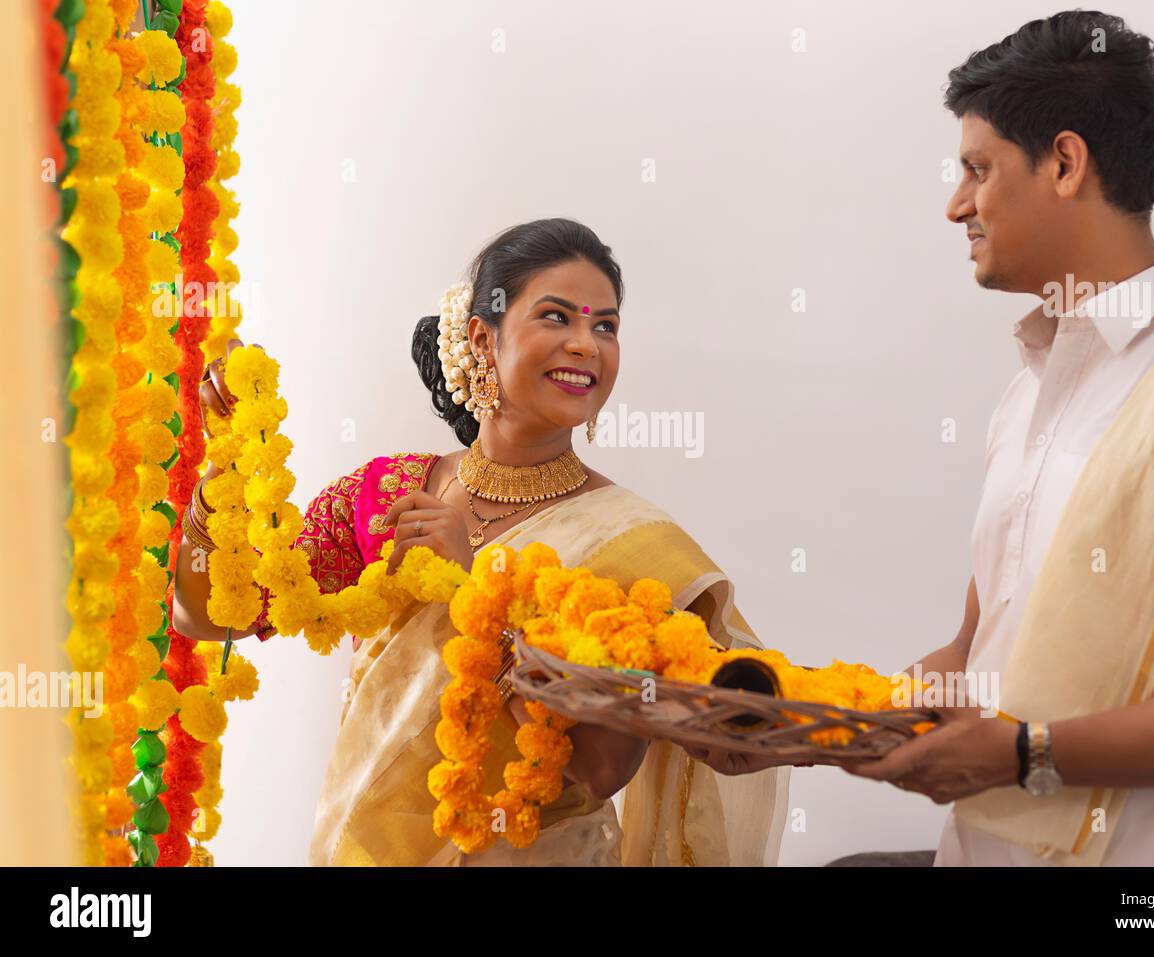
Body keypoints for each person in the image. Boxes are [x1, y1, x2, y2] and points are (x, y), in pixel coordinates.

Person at [172, 217, 790, 865]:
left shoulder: (630, 541)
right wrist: (229, 469)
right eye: (557, 317)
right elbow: (212, 615)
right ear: (481, 338)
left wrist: (474, 590)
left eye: (605, 325)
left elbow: (602, 766)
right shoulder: (388, 494)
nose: (586, 344)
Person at [835, 10, 1154, 866]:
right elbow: (976, 654)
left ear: (1063, 162)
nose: (956, 205)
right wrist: (833, 717)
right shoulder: (1026, 395)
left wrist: (1026, 754)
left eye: (978, 169)